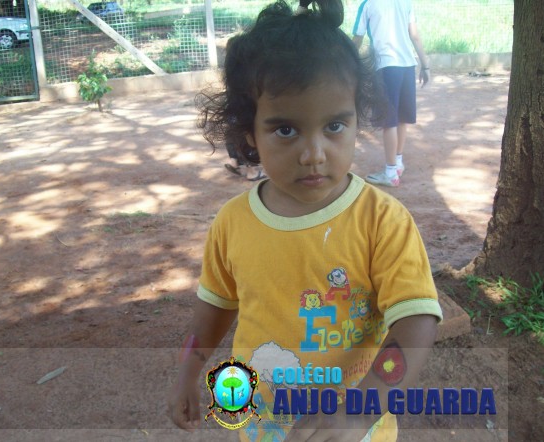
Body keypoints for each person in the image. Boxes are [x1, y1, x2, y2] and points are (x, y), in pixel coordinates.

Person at [169, 1, 442, 441]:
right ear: (249, 134)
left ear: (357, 120)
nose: (314, 153)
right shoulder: (233, 224)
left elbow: (417, 320)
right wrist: (188, 369)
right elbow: (216, 305)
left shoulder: (382, 221)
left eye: (334, 126)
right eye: (286, 130)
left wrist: (361, 410)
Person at [352, 0, 431, 187]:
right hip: (407, 65)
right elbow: (414, 35)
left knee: (388, 121)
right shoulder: (405, 2)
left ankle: (390, 172)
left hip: (386, 66)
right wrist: (425, 65)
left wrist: (346, 62)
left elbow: (357, 38)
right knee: (401, 118)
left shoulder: (368, 4)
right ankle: (398, 163)